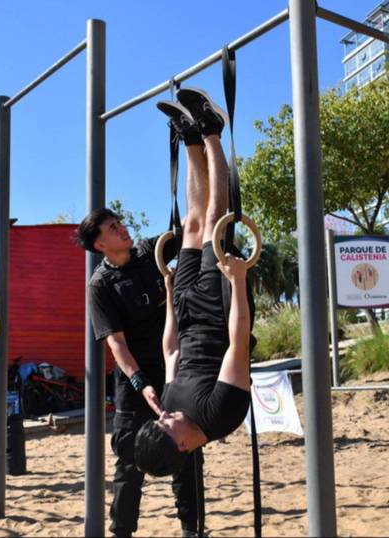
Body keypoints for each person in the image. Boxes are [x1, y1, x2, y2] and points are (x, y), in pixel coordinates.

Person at [134, 88, 254, 477]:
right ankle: (212, 133)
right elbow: (238, 342)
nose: (165, 417)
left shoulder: (172, 408)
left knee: (192, 224)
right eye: (166, 427)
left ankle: (188, 138)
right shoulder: (222, 416)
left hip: (185, 307)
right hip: (220, 308)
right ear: (184, 445)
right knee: (215, 218)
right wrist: (237, 282)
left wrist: (169, 294)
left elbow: (170, 352)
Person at [75, 208, 199, 537]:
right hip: (135, 381)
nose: (122, 229)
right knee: (130, 460)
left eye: (119, 223)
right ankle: (122, 532)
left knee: (188, 449)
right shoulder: (100, 285)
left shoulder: (149, 251)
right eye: (113, 229)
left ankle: (192, 528)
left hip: (175, 370)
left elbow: (191, 223)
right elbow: (116, 344)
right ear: (100, 245)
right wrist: (140, 381)